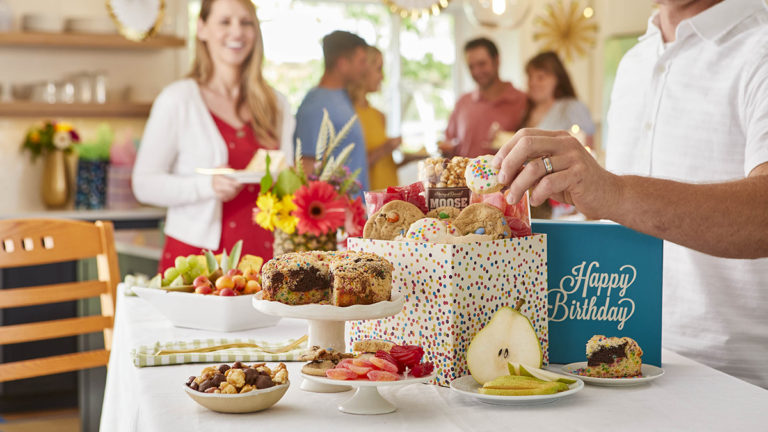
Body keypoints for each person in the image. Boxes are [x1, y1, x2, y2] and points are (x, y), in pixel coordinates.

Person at [492, 0, 768, 388]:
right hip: (618, 365)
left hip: (739, 382)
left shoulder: (760, 46)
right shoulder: (633, 63)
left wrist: (613, 191)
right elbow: (617, 216)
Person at [133, 0, 295, 271]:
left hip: (266, 259)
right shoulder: (178, 99)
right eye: (225, 21)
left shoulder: (276, 104)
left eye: (246, 22)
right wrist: (206, 187)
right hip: (196, 261)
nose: (237, 32)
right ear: (202, 28)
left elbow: (290, 180)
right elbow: (143, 184)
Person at [295, 30, 370, 192]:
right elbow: (306, 167)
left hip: (356, 209)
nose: (366, 68)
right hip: (335, 211)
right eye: (361, 61)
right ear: (342, 63)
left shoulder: (342, 96)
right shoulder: (315, 105)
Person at [440, 37, 527, 159]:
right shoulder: (463, 102)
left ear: (496, 61)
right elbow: (449, 144)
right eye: (471, 66)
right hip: (462, 176)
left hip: (505, 177)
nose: (476, 72)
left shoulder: (522, 100)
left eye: (482, 64)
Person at [347, 46, 402, 190]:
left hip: (390, 197)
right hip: (369, 203)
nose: (382, 76)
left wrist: (412, 158)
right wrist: (385, 149)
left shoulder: (378, 115)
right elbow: (347, 168)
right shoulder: (349, 115)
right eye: (379, 69)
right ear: (363, 69)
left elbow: (382, 166)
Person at [523, 51, 595, 147]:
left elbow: (587, 148)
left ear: (557, 79)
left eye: (540, 77)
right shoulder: (525, 110)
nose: (532, 83)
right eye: (530, 77)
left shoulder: (572, 107)